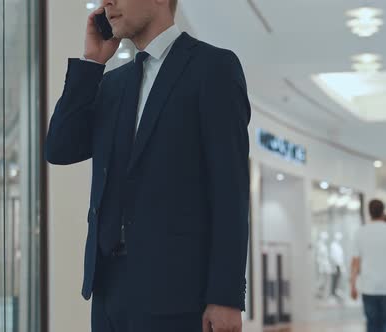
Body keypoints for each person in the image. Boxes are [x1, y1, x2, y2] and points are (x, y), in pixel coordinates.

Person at [45, 0, 251, 331]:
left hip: (178, 296)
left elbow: (231, 191)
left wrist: (225, 297)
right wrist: (91, 63)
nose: (106, 3)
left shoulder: (213, 67)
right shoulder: (113, 84)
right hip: (109, 292)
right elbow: (60, 148)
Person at [351, 199, 386, 332]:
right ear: (383, 211)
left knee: (372, 323)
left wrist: (352, 285)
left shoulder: (360, 233)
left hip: (369, 287)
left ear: (369, 212)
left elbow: (356, 263)